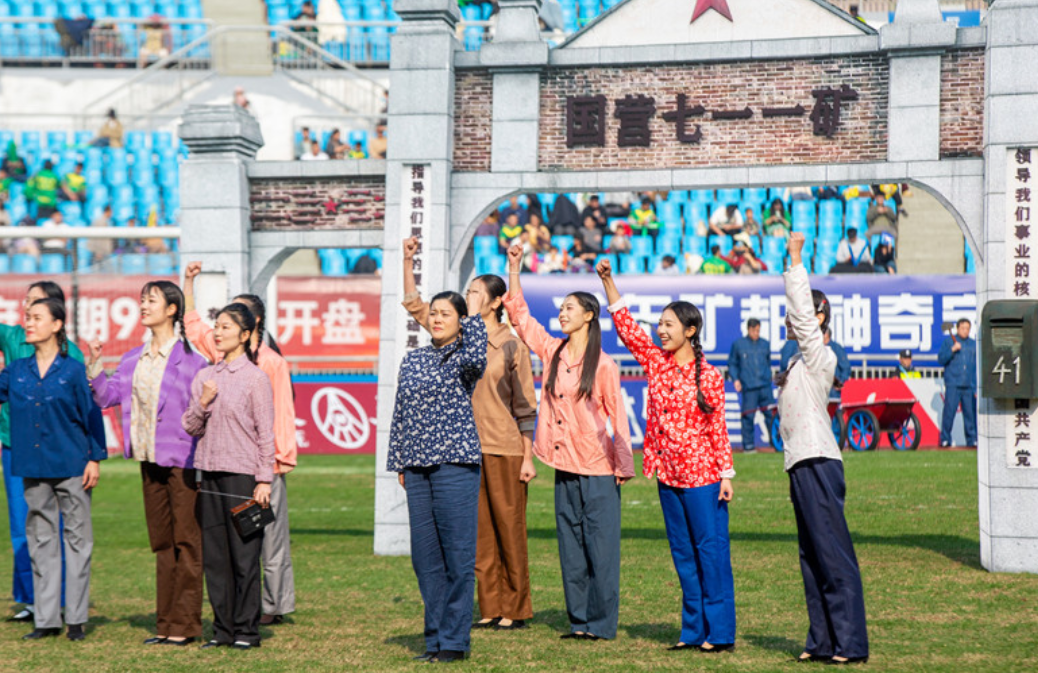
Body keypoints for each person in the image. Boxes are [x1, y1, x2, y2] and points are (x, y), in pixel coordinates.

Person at [597, 259, 735, 652]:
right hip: (668, 476)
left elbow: (717, 428)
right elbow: (626, 329)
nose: (660, 330)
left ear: (690, 331)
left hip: (703, 479)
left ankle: (720, 633)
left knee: (711, 553)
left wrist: (725, 475)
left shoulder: (709, 375)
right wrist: (608, 281)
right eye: (659, 324)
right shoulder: (656, 362)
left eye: (669, 325)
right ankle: (692, 632)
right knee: (683, 556)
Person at [402, 238, 538, 632]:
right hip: (460, 453)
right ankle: (490, 605)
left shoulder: (511, 345)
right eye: (468, 291)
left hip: (505, 447)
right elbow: (415, 304)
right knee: (475, 535)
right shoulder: (456, 338)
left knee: (509, 530)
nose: (470, 296)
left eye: (476, 291)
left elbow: (525, 407)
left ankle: (516, 607)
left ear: (496, 301)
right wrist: (409, 258)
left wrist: (528, 456)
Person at [503, 244, 634, 641]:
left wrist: (623, 466)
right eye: (560, 308)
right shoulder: (553, 350)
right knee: (571, 550)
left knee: (602, 552)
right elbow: (521, 320)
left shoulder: (605, 364)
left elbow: (619, 420)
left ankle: (601, 624)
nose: (561, 313)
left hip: (598, 470)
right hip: (564, 467)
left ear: (590, 316)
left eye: (569, 308)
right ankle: (579, 622)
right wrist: (514, 269)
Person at [86, 281, 208, 646]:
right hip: (148, 459)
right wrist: (94, 364)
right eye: (142, 299)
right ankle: (165, 623)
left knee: (187, 542)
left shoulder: (193, 360)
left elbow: (201, 411)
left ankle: (185, 626)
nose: (143, 305)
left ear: (172, 310)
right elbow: (106, 396)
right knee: (161, 543)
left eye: (151, 300)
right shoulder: (131, 359)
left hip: (183, 462)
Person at [182, 264, 298, 626]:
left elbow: (277, 418)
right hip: (223, 467)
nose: (218, 330)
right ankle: (234, 617)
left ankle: (273, 606)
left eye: (231, 321)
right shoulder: (215, 363)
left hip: (264, 465)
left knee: (268, 541)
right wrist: (189, 282)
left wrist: (274, 466)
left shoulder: (271, 364)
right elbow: (191, 323)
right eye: (220, 323)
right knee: (227, 546)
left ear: (252, 325)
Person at [388, 261, 488, 664]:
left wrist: (476, 317)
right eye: (434, 314)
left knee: (458, 557)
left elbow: (478, 356)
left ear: (462, 321)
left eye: (447, 314)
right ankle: (434, 639)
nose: (438, 319)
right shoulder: (413, 359)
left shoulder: (464, 358)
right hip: (416, 468)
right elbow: (400, 412)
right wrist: (399, 460)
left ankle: (454, 642)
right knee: (425, 558)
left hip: (455, 466)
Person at [777, 232, 869, 665]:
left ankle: (849, 643)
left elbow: (803, 316)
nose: (790, 321)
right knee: (811, 556)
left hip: (818, 460)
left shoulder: (820, 357)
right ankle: (822, 641)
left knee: (831, 553)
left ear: (818, 318)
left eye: (799, 316)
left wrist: (795, 261)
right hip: (799, 463)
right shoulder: (795, 361)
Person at [0, 297, 106, 642]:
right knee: (41, 540)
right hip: (32, 467)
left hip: (73, 465)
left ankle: (75, 618)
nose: (27, 323)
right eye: (27, 317)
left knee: (77, 541)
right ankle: (46, 620)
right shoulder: (15, 372)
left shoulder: (73, 370)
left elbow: (91, 415)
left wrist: (94, 458)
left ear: (57, 325)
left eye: (36, 318)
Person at [183, 303, 275, 651]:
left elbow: (266, 433)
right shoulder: (205, 377)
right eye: (216, 326)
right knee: (217, 559)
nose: (218, 332)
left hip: (244, 479)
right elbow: (190, 426)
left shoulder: (256, 378)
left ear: (246, 334)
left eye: (226, 326)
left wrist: (263, 480)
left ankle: (247, 631)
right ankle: (222, 630)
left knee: (245, 557)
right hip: (209, 477)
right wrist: (202, 403)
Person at [728, 318, 776, 453]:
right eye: (754, 330)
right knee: (748, 416)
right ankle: (748, 446)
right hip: (749, 387)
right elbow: (732, 364)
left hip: (765, 386)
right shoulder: (739, 345)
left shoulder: (765, 344)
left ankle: (776, 444)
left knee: (770, 416)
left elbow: (768, 363)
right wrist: (736, 379)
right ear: (748, 329)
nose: (756, 333)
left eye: (758, 330)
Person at [938, 319, 977, 448]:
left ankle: (972, 440)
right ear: (957, 328)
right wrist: (952, 350)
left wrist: (976, 386)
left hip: (968, 385)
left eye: (967, 328)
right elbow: (941, 359)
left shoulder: (973, 344)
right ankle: (945, 439)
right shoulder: (949, 342)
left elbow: (976, 367)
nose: (965, 331)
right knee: (949, 413)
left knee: (970, 415)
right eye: (963, 328)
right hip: (953, 383)